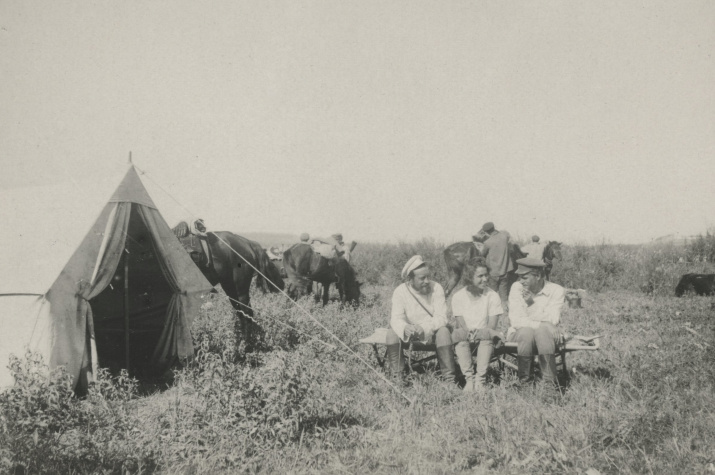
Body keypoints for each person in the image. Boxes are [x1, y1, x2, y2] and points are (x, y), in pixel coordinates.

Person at [386, 255, 458, 385]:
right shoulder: (400, 292)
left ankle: (449, 380)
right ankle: (398, 378)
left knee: (443, 332)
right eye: (422, 278)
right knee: (392, 333)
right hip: (410, 333)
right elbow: (396, 318)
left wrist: (424, 328)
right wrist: (404, 328)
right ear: (410, 279)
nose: (427, 281)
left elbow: (442, 318)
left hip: (433, 332)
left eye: (428, 277)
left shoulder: (437, 288)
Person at [507, 257, 567, 388]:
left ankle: (549, 384)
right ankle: (525, 382)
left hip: (547, 337)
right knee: (528, 332)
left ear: (538, 275)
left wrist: (531, 304)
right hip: (520, 335)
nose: (520, 281)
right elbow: (517, 320)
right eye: (519, 277)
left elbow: (553, 319)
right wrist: (544, 324)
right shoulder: (516, 288)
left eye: (524, 277)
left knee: (542, 331)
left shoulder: (556, 290)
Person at [451, 257, 504, 391]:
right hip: (466, 334)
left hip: (485, 335)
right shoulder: (458, 296)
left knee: (487, 336)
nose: (485, 279)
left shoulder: (492, 296)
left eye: (486, 275)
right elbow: (461, 323)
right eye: (480, 276)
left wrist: (478, 333)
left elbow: (491, 326)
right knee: (459, 335)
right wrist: (469, 332)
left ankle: (480, 380)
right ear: (469, 277)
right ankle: (469, 379)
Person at [480, 222, 516, 312]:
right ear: (494, 228)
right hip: (505, 270)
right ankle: (505, 309)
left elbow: (482, 254)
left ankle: (492, 310)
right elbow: (506, 236)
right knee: (503, 292)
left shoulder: (487, 242)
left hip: (493, 271)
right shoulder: (504, 237)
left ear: (486, 232)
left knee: (492, 292)